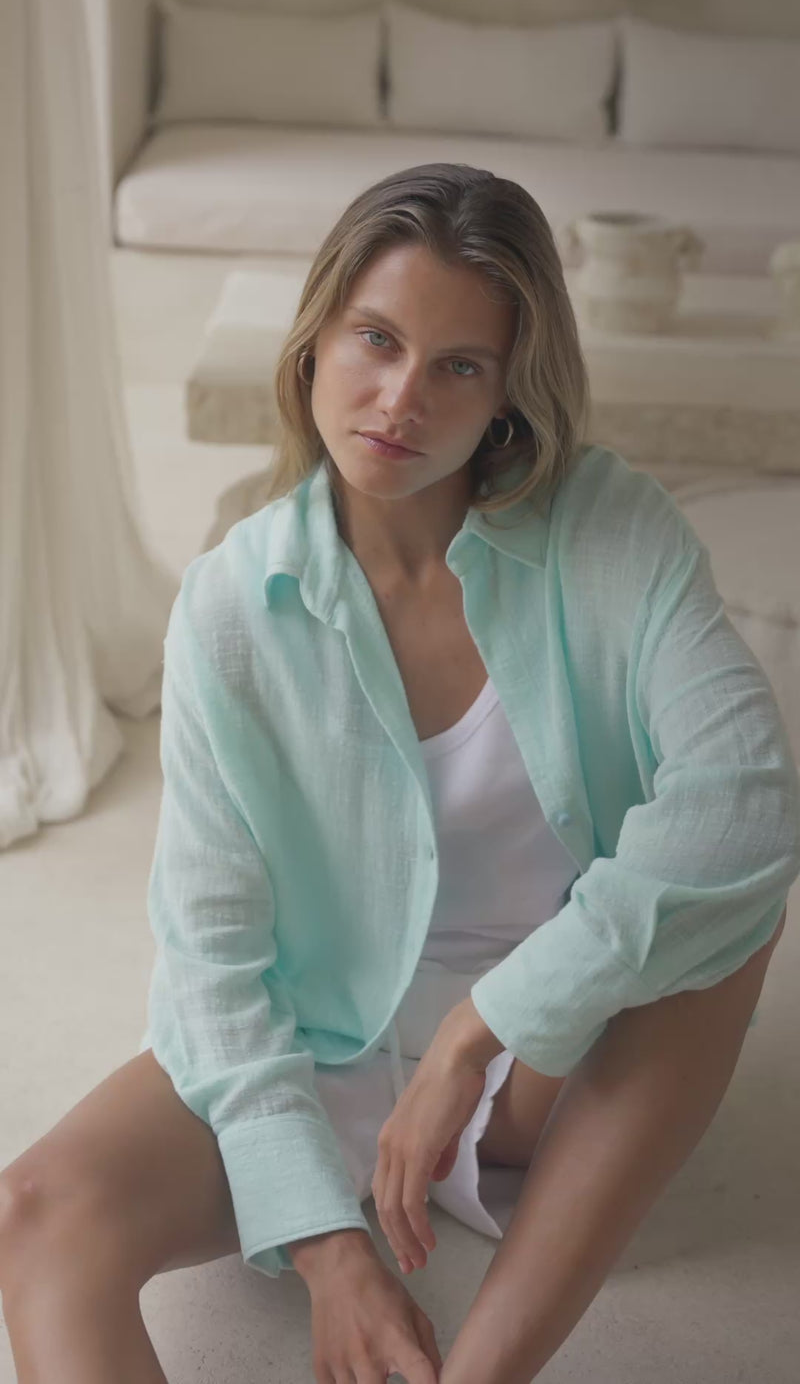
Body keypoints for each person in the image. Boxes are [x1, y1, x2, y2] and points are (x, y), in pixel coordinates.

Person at [1, 162, 798, 1384]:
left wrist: (486, 1026)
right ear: (315, 338)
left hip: (547, 1060)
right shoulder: (231, 603)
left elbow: (746, 802)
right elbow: (212, 957)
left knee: (718, 915)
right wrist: (327, 1247)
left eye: (458, 366)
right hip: (318, 1036)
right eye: (375, 338)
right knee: (33, 1214)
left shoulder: (609, 529)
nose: (398, 398)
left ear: (507, 397)